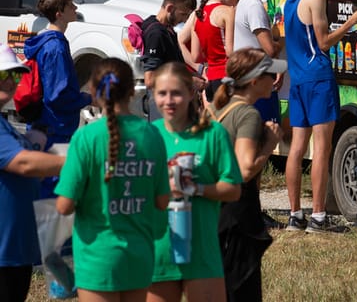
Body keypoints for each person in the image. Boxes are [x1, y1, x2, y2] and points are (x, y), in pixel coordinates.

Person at [55, 58, 170, 301]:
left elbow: (64, 206)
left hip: (97, 257)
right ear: (132, 92)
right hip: (139, 255)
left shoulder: (86, 138)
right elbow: (162, 201)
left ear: (94, 93)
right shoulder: (153, 135)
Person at [283, 0, 357, 233]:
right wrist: (353, 21)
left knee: (296, 149)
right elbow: (323, 42)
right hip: (318, 78)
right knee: (321, 149)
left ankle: (296, 215)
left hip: (297, 79)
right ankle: (318, 217)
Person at [148, 62, 241, 302]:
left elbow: (232, 190)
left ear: (191, 93)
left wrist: (196, 188)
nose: (169, 101)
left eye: (176, 93)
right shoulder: (148, 136)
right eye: (162, 93)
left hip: (201, 252)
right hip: (159, 252)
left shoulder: (212, 134)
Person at [211, 48, 285, 302]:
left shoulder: (220, 108)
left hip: (218, 211)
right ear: (254, 81)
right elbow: (244, 170)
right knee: (242, 290)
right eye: (269, 73)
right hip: (238, 215)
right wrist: (269, 144)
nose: (274, 78)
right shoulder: (248, 114)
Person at [0, 44, 65, 302]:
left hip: (16, 250)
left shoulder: (6, 125)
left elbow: (30, 171)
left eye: (16, 75)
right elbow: (23, 164)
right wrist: (76, 161)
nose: (11, 81)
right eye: (3, 74)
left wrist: (34, 141)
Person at [23, 0, 92, 197]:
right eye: (71, 6)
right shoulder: (55, 48)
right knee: (52, 192)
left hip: (47, 126)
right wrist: (89, 98)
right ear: (59, 13)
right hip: (54, 129)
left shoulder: (49, 43)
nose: (76, 8)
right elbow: (57, 96)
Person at [234, 0, 285, 124]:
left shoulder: (245, 0)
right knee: (264, 137)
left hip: (250, 80)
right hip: (257, 82)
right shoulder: (255, 6)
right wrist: (284, 39)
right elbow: (269, 49)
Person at [190, 0, 246, 100]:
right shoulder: (227, 11)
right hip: (227, 76)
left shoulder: (198, 15)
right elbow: (230, 51)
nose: (235, 3)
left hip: (211, 78)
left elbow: (195, 56)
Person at [141, 0, 202, 93]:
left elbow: (173, 66)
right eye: (183, 14)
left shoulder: (167, 29)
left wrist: (195, 75)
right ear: (170, 8)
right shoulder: (156, 34)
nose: (184, 20)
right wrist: (189, 81)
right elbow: (150, 79)